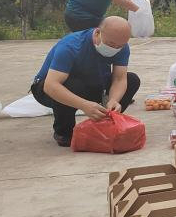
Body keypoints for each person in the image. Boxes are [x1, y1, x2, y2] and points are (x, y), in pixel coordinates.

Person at [31, 16, 140, 146]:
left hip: (91, 82)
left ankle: (106, 121)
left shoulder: (121, 46)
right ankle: (64, 132)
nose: (115, 48)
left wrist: (113, 100)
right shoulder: (71, 45)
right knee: (72, 85)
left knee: (132, 80)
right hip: (50, 89)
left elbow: (119, 78)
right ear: (98, 32)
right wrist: (84, 105)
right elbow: (51, 86)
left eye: (120, 46)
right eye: (111, 44)